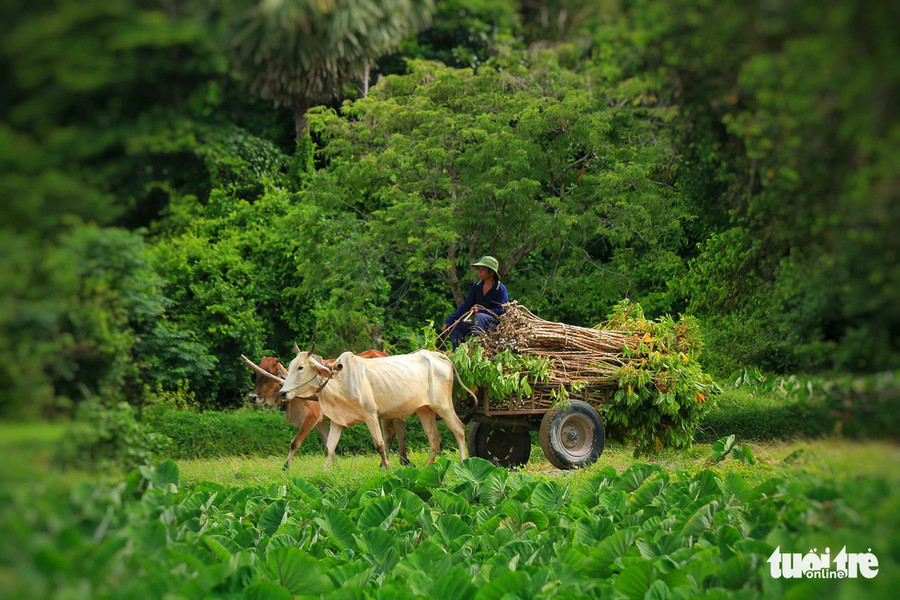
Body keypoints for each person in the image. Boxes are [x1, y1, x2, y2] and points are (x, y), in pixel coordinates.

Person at [442, 256, 509, 348]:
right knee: (455, 325)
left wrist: (481, 310)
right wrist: (450, 320)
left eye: (483, 269)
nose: (479, 272)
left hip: (493, 326)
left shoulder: (500, 289)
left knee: (479, 316)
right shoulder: (477, 286)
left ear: (491, 272)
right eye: (479, 269)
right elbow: (466, 306)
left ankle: (476, 346)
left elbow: (501, 311)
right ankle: (457, 351)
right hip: (477, 325)